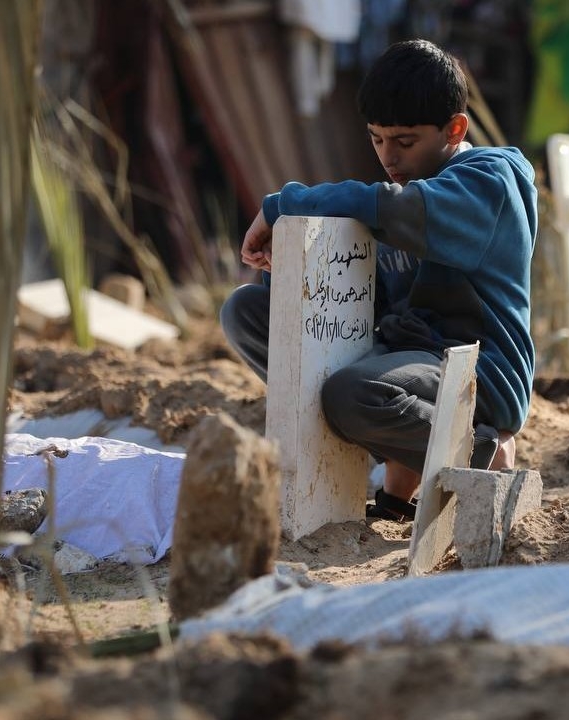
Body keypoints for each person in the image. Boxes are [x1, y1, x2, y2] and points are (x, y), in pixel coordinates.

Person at [220, 39, 538, 522]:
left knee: (352, 393)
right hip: (403, 360)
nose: (388, 156)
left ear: (455, 129)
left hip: (478, 371)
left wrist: (279, 204)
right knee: (247, 313)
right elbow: (357, 301)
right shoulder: (393, 198)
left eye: (405, 142)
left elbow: (396, 208)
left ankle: (483, 452)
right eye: (376, 138)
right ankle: (398, 485)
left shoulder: (488, 180)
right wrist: (287, 277)